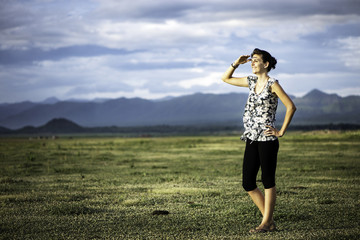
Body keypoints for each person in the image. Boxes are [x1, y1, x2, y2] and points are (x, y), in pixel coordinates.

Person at [221, 48, 296, 233]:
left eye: (256, 60)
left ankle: (266, 223)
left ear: (266, 64)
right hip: (251, 137)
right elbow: (226, 79)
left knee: (267, 179)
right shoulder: (251, 80)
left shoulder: (273, 84)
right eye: (252, 60)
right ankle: (268, 221)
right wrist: (236, 63)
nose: (252, 62)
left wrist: (281, 132)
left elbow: (291, 107)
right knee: (248, 182)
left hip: (267, 138)